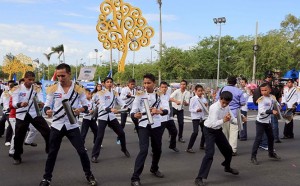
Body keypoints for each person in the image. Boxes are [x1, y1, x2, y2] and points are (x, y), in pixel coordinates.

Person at [39, 63, 97, 186]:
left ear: (69, 74)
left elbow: (86, 105)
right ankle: (46, 178)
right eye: (58, 76)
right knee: (52, 153)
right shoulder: (53, 88)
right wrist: (47, 110)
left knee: (82, 151)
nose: (60, 78)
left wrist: (80, 110)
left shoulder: (78, 88)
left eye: (63, 75)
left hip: (72, 125)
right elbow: (47, 104)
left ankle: (89, 175)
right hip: (57, 124)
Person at [130, 73, 169, 186]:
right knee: (143, 150)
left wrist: (159, 111)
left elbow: (167, 109)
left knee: (157, 150)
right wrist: (134, 115)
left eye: (149, 83)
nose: (146, 85)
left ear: (154, 83)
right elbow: (133, 110)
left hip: (156, 124)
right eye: (145, 83)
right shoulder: (139, 94)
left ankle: (154, 168)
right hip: (143, 125)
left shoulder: (160, 95)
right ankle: (135, 177)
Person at [194, 91, 240, 186]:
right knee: (209, 154)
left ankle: (227, 167)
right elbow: (212, 123)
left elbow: (232, 119)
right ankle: (199, 178)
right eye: (223, 102)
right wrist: (223, 120)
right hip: (209, 130)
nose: (224, 105)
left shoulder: (227, 107)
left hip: (218, 130)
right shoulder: (214, 108)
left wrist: (240, 121)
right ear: (220, 99)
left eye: (227, 103)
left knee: (228, 150)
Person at [12, 71, 50, 165]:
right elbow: (14, 103)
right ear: (24, 78)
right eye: (29, 79)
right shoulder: (17, 88)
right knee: (18, 137)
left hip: (34, 113)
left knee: (47, 131)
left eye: (33, 80)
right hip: (22, 114)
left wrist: (41, 103)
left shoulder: (36, 88)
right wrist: (20, 104)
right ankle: (17, 156)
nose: (31, 81)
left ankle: (49, 149)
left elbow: (40, 98)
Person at [91, 77, 130, 163]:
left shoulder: (115, 92)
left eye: (110, 82)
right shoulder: (100, 93)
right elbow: (103, 105)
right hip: (103, 116)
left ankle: (123, 149)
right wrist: (111, 109)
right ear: (104, 84)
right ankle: (94, 155)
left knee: (121, 133)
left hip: (111, 117)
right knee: (100, 136)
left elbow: (120, 101)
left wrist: (125, 106)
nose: (109, 83)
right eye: (107, 82)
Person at [250, 83, 281, 165]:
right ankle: (253, 156)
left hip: (268, 122)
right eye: (262, 90)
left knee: (271, 138)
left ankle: (271, 154)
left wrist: (280, 106)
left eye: (265, 90)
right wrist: (272, 111)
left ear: (270, 90)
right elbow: (261, 111)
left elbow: (276, 104)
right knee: (258, 139)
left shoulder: (272, 97)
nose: (263, 92)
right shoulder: (261, 99)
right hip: (260, 122)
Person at [216, 76, 246, 156]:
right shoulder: (239, 91)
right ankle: (233, 149)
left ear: (227, 81)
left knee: (225, 131)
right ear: (235, 82)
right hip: (235, 113)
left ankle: (225, 148)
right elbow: (243, 103)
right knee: (234, 132)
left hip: (224, 113)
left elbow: (217, 100)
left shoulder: (222, 89)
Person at [186, 84, 207, 153]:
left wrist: (206, 106)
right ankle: (189, 147)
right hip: (196, 117)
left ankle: (201, 145)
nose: (200, 92)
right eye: (199, 91)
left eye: (201, 91)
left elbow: (206, 108)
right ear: (195, 91)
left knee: (205, 131)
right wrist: (196, 110)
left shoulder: (204, 99)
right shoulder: (193, 99)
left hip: (202, 117)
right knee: (195, 132)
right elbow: (190, 109)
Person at [159, 81, 179, 152]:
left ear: (167, 88)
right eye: (162, 87)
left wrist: (176, 101)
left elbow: (170, 99)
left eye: (165, 87)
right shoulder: (157, 95)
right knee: (159, 135)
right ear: (160, 88)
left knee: (174, 132)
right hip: (160, 118)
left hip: (168, 118)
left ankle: (172, 146)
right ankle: (155, 150)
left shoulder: (167, 95)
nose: (164, 89)